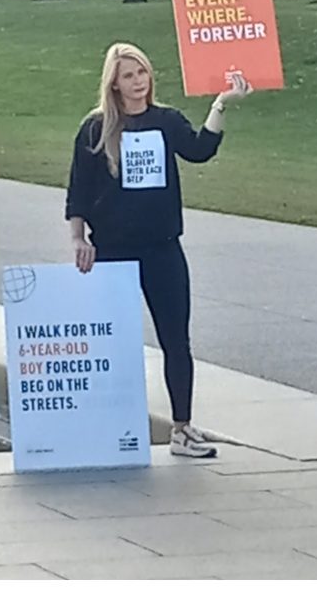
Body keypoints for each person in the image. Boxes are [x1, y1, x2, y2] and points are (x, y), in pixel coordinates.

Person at [65, 42, 252, 459]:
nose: (137, 82)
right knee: (116, 344)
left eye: (142, 73)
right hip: (113, 253)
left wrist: (222, 103)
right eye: (128, 75)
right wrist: (78, 238)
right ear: (113, 82)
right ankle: (111, 429)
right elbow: (79, 189)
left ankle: (182, 429)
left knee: (176, 341)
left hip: (163, 250)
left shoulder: (166, 121)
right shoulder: (95, 129)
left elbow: (199, 150)